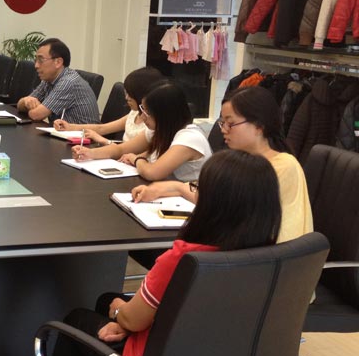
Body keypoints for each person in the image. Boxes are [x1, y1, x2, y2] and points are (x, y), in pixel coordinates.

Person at [43, 150, 282, 356]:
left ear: (213, 203)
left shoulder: (184, 260)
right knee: (106, 300)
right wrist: (127, 319)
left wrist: (122, 314)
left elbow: (133, 320)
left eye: (197, 188)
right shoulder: (270, 259)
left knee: (77, 319)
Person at [131, 86, 313, 243]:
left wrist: (175, 188)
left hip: (264, 259)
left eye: (230, 124)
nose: (224, 130)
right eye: (222, 123)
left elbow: (222, 204)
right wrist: (172, 188)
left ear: (259, 126)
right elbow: (214, 196)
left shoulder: (283, 166)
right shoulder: (243, 161)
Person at [72, 83, 210, 182]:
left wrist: (136, 159)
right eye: (142, 110)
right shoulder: (159, 130)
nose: (142, 117)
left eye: (147, 112)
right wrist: (89, 153)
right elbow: (121, 149)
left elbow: (153, 172)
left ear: (164, 115)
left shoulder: (189, 138)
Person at [53, 67, 165, 145]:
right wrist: (70, 127)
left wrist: (103, 140)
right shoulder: (134, 113)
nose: (126, 98)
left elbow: (128, 150)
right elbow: (103, 128)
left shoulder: (152, 123)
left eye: (130, 94)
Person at [16, 38, 100, 124]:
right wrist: (25, 100)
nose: (36, 65)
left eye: (41, 60)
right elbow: (20, 105)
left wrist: (29, 105)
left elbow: (36, 115)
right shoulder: (48, 80)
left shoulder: (68, 82)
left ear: (58, 62)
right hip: (61, 131)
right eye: (36, 60)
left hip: (81, 132)